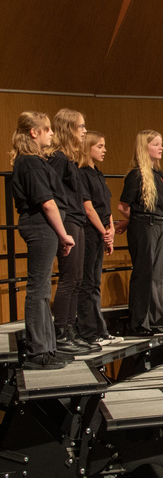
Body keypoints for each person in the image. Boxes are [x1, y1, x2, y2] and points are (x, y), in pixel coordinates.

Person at [11, 111, 74, 370]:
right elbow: (47, 203)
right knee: (38, 289)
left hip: (43, 227)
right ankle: (39, 351)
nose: (51, 133)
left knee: (43, 288)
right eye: (46, 129)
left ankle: (48, 347)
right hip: (40, 226)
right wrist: (64, 234)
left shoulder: (35, 161)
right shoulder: (30, 162)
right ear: (33, 133)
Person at [45, 108, 99, 353]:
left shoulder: (68, 158)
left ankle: (70, 329)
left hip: (76, 220)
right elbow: (52, 193)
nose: (84, 131)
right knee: (69, 279)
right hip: (67, 221)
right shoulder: (57, 158)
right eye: (81, 127)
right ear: (68, 129)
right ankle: (62, 332)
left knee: (77, 279)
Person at [117, 130, 163, 336]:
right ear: (144, 147)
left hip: (158, 225)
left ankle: (157, 320)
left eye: (161, 143)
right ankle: (139, 323)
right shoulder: (136, 174)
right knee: (144, 274)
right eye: (156, 144)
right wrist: (132, 221)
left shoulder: (158, 174)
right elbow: (123, 206)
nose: (161, 147)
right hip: (143, 225)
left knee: (157, 276)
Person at [78, 131, 120, 346]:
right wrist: (103, 232)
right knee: (87, 283)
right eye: (100, 146)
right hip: (89, 232)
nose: (104, 150)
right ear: (88, 148)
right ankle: (89, 332)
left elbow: (106, 206)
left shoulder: (98, 174)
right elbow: (88, 207)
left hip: (102, 230)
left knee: (95, 283)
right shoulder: (82, 173)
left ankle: (101, 331)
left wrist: (111, 229)